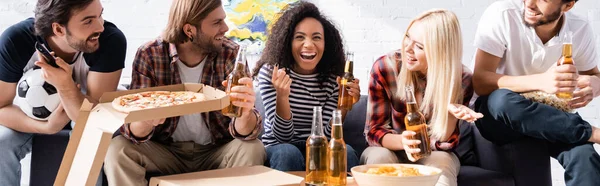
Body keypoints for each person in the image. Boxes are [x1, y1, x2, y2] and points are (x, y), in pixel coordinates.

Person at [103, 0, 265, 185]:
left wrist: (245, 113)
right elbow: (133, 133)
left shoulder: (232, 54)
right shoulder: (150, 54)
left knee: (253, 148)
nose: (225, 28)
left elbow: (244, 133)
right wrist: (146, 119)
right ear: (189, 30)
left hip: (217, 151)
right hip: (166, 151)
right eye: (216, 22)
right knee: (117, 149)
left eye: (223, 20)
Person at [472, 0, 600, 185]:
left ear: (568, 5)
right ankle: (591, 132)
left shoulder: (579, 28)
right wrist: (541, 81)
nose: (530, 4)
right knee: (502, 100)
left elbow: (594, 74)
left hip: (547, 114)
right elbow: (481, 81)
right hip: (499, 116)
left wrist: (595, 83)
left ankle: (583, 133)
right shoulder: (503, 14)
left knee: (584, 158)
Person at [0, 0, 126, 185]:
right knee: (2, 142)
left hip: (86, 114)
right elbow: (1, 107)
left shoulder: (110, 41)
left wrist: (65, 85)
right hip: (35, 116)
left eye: (100, 15)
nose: (100, 26)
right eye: (88, 21)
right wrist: (47, 127)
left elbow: (92, 120)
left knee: (88, 139)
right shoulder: (16, 40)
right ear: (58, 29)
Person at [362, 9, 481, 186]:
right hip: (390, 147)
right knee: (379, 156)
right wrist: (404, 142)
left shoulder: (461, 78)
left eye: (419, 46)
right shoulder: (385, 67)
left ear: (440, 51)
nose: (407, 49)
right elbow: (374, 131)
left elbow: (445, 143)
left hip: (432, 152)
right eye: (408, 37)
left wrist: (449, 112)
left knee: (442, 162)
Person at [251, 1, 361, 172]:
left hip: (320, 143)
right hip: (280, 147)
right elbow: (282, 137)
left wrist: (343, 105)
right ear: (287, 41)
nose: (308, 44)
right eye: (299, 37)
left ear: (326, 43)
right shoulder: (272, 72)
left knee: (346, 152)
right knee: (288, 153)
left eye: (316, 37)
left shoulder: (334, 78)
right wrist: (282, 96)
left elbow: (327, 135)